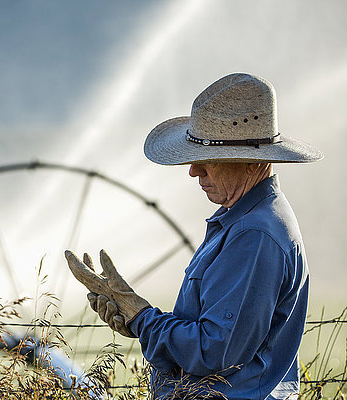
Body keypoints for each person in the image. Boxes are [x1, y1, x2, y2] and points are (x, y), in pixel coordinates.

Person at [65, 73, 323, 400]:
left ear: (249, 162)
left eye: (208, 159)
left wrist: (143, 319)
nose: (193, 171)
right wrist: (139, 321)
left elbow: (214, 351)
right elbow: (216, 332)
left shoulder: (253, 234)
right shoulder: (244, 219)